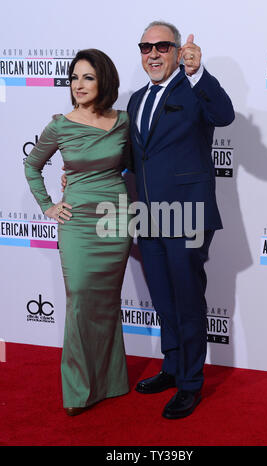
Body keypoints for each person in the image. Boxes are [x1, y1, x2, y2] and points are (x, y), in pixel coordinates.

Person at [126, 21, 235, 419]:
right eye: (145, 47)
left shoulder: (193, 88)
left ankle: (191, 382)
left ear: (176, 51)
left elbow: (224, 115)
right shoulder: (136, 100)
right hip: (149, 216)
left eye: (161, 46)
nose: (152, 54)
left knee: (188, 300)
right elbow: (136, 157)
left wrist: (198, 73)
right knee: (164, 298)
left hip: (188, 215)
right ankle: (172, 367)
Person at [25, 49, 132, 416]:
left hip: (115, 221)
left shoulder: (123, 122)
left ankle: (112, 382)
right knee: (80, 300)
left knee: (106, 303)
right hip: (78, 222)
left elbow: (136, 167)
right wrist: (48, 205)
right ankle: (79, 390)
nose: (79, 85)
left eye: (87, 77)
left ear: (104, 80)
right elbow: (32, 165)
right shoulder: (60, 125)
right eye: (74, 78)